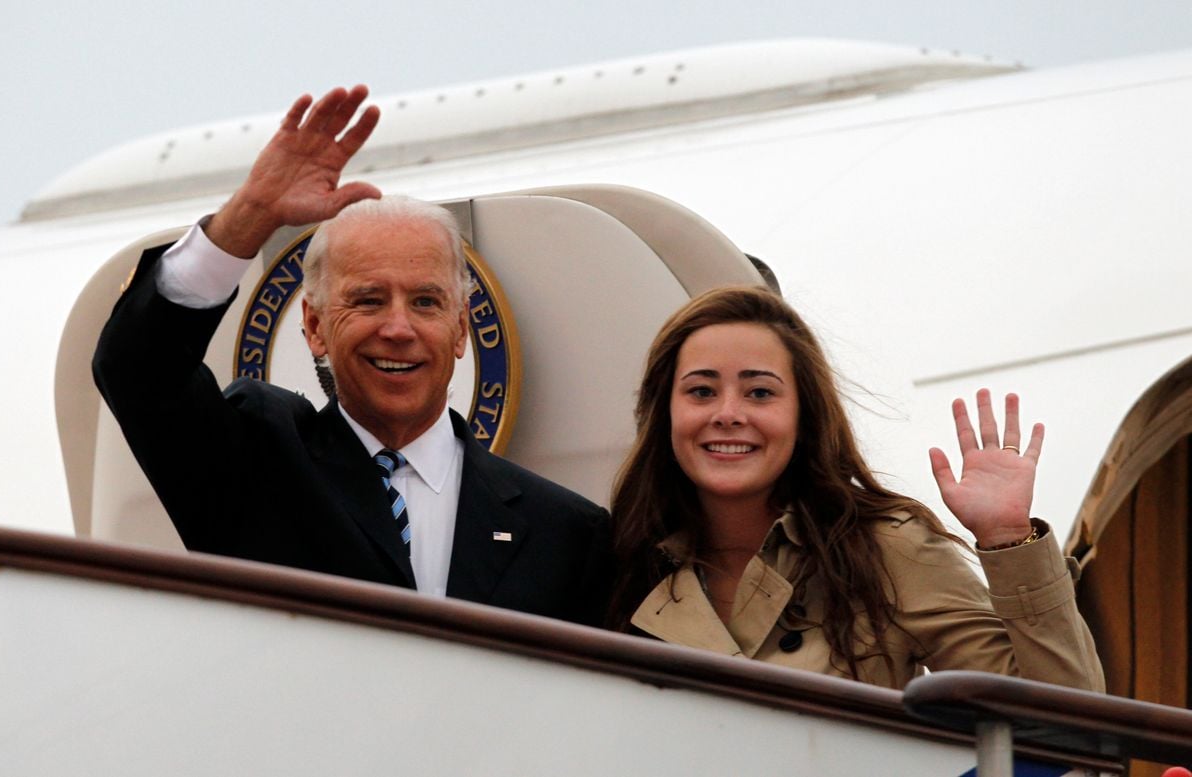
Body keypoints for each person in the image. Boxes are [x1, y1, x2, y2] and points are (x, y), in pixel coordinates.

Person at [93, 86, 609, 625]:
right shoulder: (257, 465)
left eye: (426, 302)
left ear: (461, 330)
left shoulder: (567, 532)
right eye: (368, 300)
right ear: (314, 327)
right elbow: (138, 368)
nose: (397, 328)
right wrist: (248, 217)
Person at [607, 286, 1104, 690]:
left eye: (760, 392)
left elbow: (1064, 718)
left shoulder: (885, 545)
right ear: (664, 413)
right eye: (701, 391)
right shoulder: (617, 561)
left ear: (804, 416)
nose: (728, 413)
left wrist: (1007, 540)